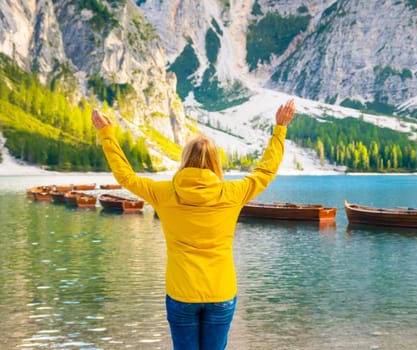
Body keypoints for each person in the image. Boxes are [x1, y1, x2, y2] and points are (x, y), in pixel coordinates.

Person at [91, 99, 295, 350]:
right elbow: (265, 171)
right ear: (215, 163)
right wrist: (280, 128)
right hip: (220, 291)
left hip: (181, 292)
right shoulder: (233, 192)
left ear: (185, 159)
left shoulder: (164, 192)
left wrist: (107, 134)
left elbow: (126, 176)